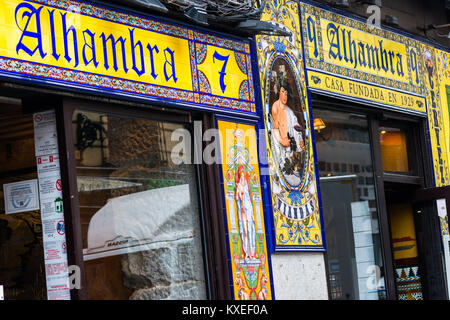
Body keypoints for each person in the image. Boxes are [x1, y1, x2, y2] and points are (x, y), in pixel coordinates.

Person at [235, 165, 256, 261]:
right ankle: (246, 252)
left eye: (244, 176)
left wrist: (252, 214)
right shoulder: (239, 186)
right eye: (241, 176)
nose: (243, 178)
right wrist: (237, 191)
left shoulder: (246, 187)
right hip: (242, 210)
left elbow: (249, 200)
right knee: (245, 231)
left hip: (248, 208)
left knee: (251, 230)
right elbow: (236, 198)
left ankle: (251, 253)